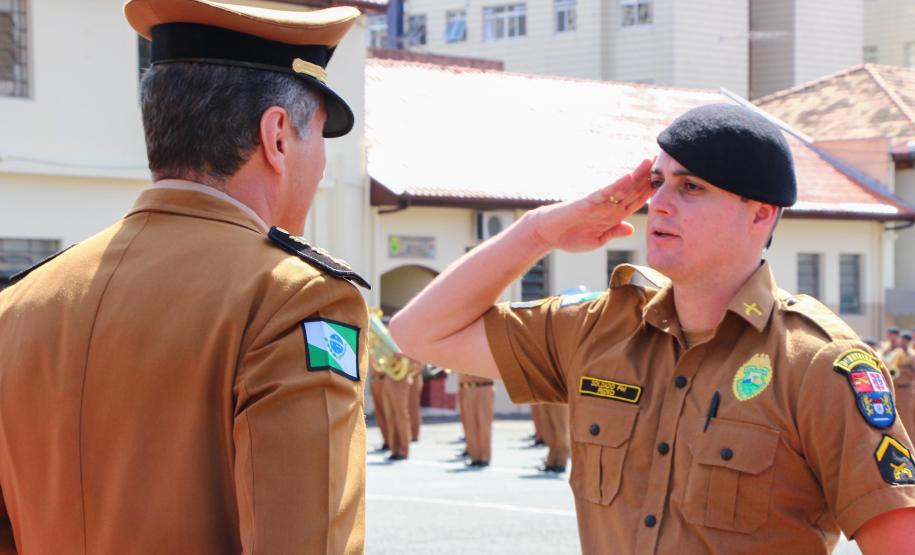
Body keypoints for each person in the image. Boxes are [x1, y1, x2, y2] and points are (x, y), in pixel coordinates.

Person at [391, 104, 915, 553]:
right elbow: (419, 333)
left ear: (759, 214)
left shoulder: (816, 363)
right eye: (658, 182)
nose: (658, 203)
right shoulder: (600, 328)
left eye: (691, 187)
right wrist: (538, 230)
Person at [0, 1, 368, 552]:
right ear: (277, 137)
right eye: (317, 135)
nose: (319, 164)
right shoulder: (294, 298)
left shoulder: (18, 304)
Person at [459, 373, 495, 467]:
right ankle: (474, 457)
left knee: (484, 423)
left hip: (484, 386)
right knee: (470, 424)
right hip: (467, 387)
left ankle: (484, 457)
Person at [537, 403, 570, 473]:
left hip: (560, 396)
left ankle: (561, 462)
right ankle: (551, 461)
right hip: (545, 395)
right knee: (548, 430)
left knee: (560, 428)